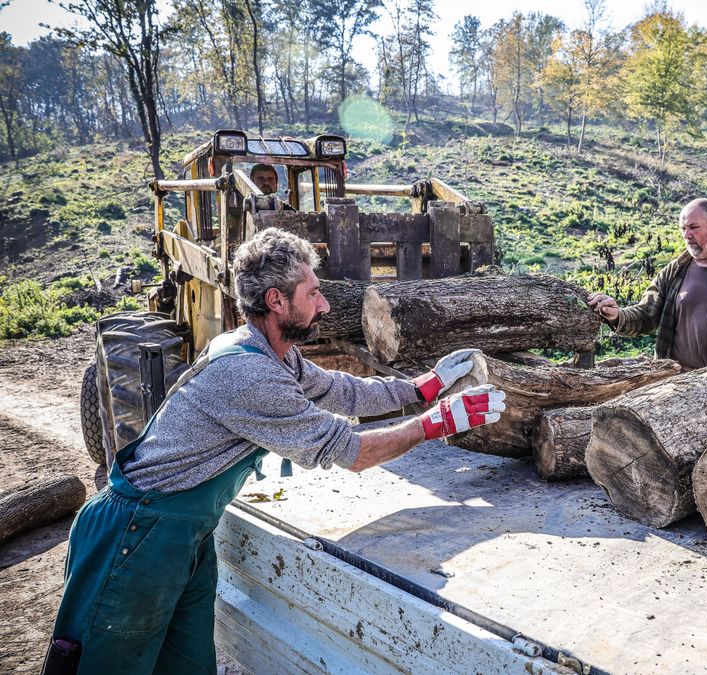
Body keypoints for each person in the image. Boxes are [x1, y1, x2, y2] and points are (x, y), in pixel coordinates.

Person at [47, 227, 506, 673]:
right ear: (276, 300)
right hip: (134, 535)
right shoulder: (250, 373)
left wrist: (424, 387)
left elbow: (342, 392)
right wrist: (436, 423)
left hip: (182, 535)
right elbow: (353, 452)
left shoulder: (272, 353)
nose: (325, 305)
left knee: (188, 664)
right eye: (314, 293)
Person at [587, 198, 707, 370]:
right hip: (679, 384)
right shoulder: (673, 271)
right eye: (683, 229)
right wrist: (616, 315)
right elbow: (645, 315)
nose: (686, 235)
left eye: (693, 227)